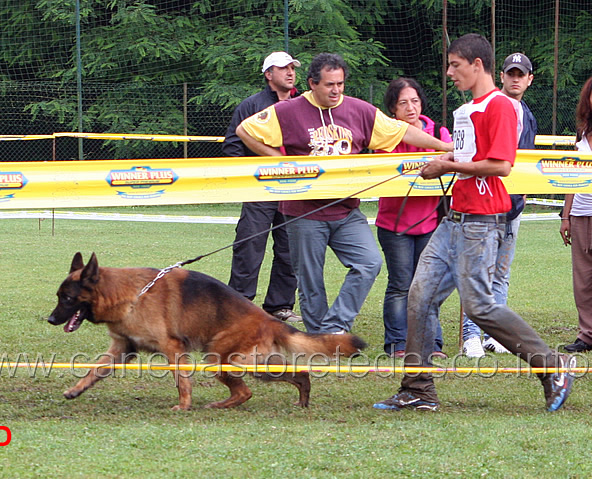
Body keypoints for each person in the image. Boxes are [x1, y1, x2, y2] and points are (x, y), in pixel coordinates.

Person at [373, 34, 575, 412]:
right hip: (454, 219)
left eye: (455, 65)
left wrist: (447, 165)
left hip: (482, 221)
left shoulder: (499, 107)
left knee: (480, 306)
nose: (449, 73)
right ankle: (418, 388)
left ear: (477, 65)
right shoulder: (467, 110)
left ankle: (553, 366)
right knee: (419, 297)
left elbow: (501, 165)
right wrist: (447, 156)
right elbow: (471, 156)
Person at [235, 53, 452, 334]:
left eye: (340, 83)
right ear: (312, 84)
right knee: (310, 282)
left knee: (369, 263)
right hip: (304, 212)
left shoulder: (360, 111)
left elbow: (402, 133)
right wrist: (279, 159)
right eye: (329, 85)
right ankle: (318, 341)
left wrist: (443, 148)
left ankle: (334, 328)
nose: (336, 90)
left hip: (346, 210)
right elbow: (245, 129)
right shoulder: (287, 111)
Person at [461, 52, 538, 357]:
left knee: (500, 274)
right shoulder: (484, 108)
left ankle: (496, 335)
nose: (516, 78)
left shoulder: (527, 115)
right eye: (511, 73)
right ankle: (470, 337)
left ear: (529, 79)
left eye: (521, 74)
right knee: (478, 272)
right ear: (502, 76)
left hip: (513, 206)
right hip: (485, 205)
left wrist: (524, 193)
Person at [222, 51, 301, 322]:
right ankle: (239, 305)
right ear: (269, 75)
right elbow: (233, 145)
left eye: (292, 67)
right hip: (260, 189)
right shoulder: (251, 105)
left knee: (290, 249)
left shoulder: (304, 104)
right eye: (283, 68)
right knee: (249, 245)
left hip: (295, 190)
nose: (290, 72)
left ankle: (279, 306)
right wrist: (249, 178)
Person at [375, 77, 451, 359]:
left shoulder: (440, 133)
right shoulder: (385, 136)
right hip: (393, 226)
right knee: (400, 285)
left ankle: (432, 344)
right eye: (403, 103)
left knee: (428, 284)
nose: (410, 107)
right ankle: (398, 344)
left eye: (415, 101)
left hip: (431, 223)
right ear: (392, 109)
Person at [560, 76, 592, 353]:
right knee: (582, 279)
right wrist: (565, 216)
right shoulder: (581, 135)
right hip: (581, 213)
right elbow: (571, 178)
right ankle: (586, 335)